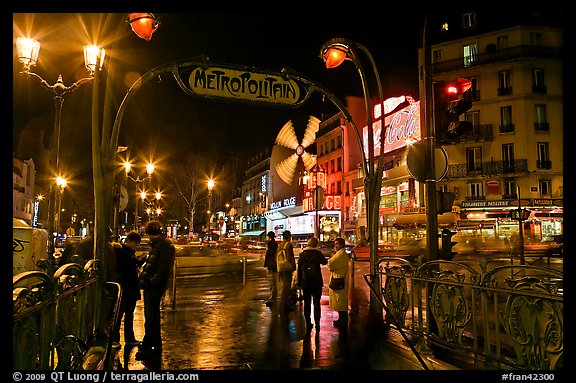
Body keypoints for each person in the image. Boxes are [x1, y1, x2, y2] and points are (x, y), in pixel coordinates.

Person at [135, 221, 175, 361]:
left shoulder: (163, 246)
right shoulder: (158, 245)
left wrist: (152, 282)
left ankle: (150, 347)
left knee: (151, 318)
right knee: (151, 317)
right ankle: (153, 345)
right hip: (151, 286)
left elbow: (162, 269)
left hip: (153, 287)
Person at [112, 231, 143, 347]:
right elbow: (126, 268)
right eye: (136, 243)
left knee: (128, 315)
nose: (137, 246)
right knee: (120, 315)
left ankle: (128, 338)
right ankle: (116, 339)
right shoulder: (122, 252)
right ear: (129, 241)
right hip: (126, 288)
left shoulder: (129, 252)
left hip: (130, 288)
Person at [297, 236, 327, 332]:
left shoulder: (302, 254)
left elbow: (299, 270)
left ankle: (308, 322)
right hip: (317, 282)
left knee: (307, 303)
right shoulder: (318, 253)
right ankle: (317, 322)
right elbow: (324, 262)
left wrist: (299, 283)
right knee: (317, 303)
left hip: (305, 282)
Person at [327, 237, 349, 327]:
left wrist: (330, 262)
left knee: (341, 301)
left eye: (337, 244)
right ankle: (341, 319)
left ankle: (343, 320)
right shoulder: (340, 253)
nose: (335, 246)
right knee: (339, 301)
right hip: (338, 277)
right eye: (335, 244)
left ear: (341, 244)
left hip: (339, 279)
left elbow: (331, 263)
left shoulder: (341, 254)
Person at [276, 230, 296, 315]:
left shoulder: (280, 245)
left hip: (281, 267)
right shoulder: (288, 245)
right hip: (287, 268)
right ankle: (283, 306)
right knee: (286, 287)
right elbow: (290, 257)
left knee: (284, 286)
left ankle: (283, 305)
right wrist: (293, 266)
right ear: (289, 236)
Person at [263, 231, 278, 307]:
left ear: (269, 237)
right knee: (272, 283)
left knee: (272, 283)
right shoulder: (272, 244)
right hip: (272, 266)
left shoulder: (272, 245)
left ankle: (272, 299)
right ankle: (272, 298)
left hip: (271, 267)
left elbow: (271, 257)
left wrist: (269, 266)